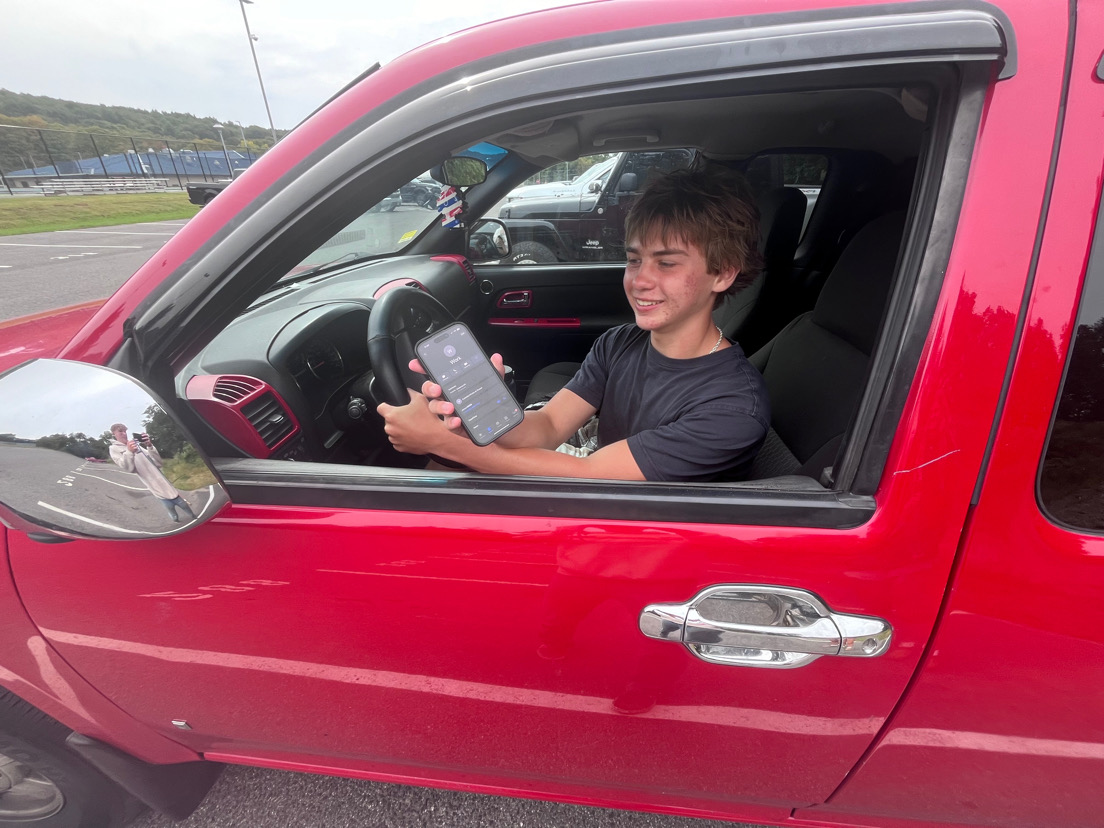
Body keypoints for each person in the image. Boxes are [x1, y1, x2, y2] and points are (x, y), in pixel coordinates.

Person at [378, 167, 770, 481]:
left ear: (722, 274)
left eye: (666, 263)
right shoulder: (622, 343)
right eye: (634, 260)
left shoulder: (732, 409)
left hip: (638, 532)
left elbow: (592, 475)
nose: (639, 280)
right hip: (601, 489)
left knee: (447, 465)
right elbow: (548, 426)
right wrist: (483, 413)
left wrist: (441, 445)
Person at [108, 423, 197, 522]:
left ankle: (193, 516)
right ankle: (174, 516)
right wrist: (129, 452)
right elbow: (128, 468)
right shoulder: (113, 449)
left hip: (160, 478)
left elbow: (157, 462)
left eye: (125, 431)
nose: (124, 434)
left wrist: (150, 446)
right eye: (120, 431)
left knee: (183, 504)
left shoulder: (135, 444)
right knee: (169, 506)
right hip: (151, 482)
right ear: (113, 434)